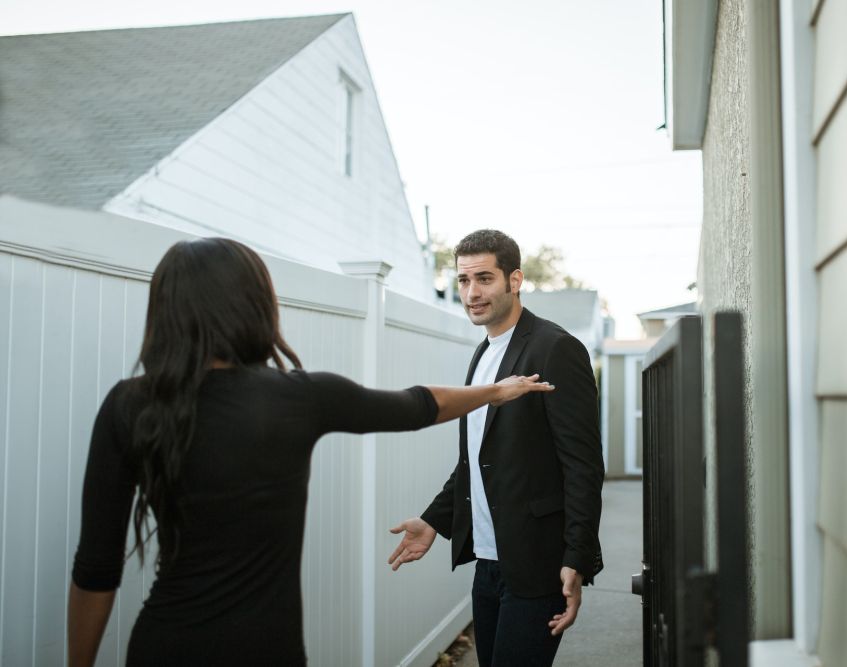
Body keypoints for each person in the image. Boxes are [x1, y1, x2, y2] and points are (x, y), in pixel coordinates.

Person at [67, 237, 554, 667]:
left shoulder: (130, 405)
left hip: (163, 644)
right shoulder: (297, 396)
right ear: (254, 305)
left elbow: (95, 570)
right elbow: (418, 404)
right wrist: (494, 392)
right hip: (265, 649)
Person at [388, 229, 604, 667]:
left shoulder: (556, 347)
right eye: (463, 281)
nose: (472, 293)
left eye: (484, 278)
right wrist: (434, 520)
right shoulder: (483, 353)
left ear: (515, 279)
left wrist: (576, 558)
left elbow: (582, 464)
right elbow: (476, 460)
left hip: (537, 563)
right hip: (486, 563)